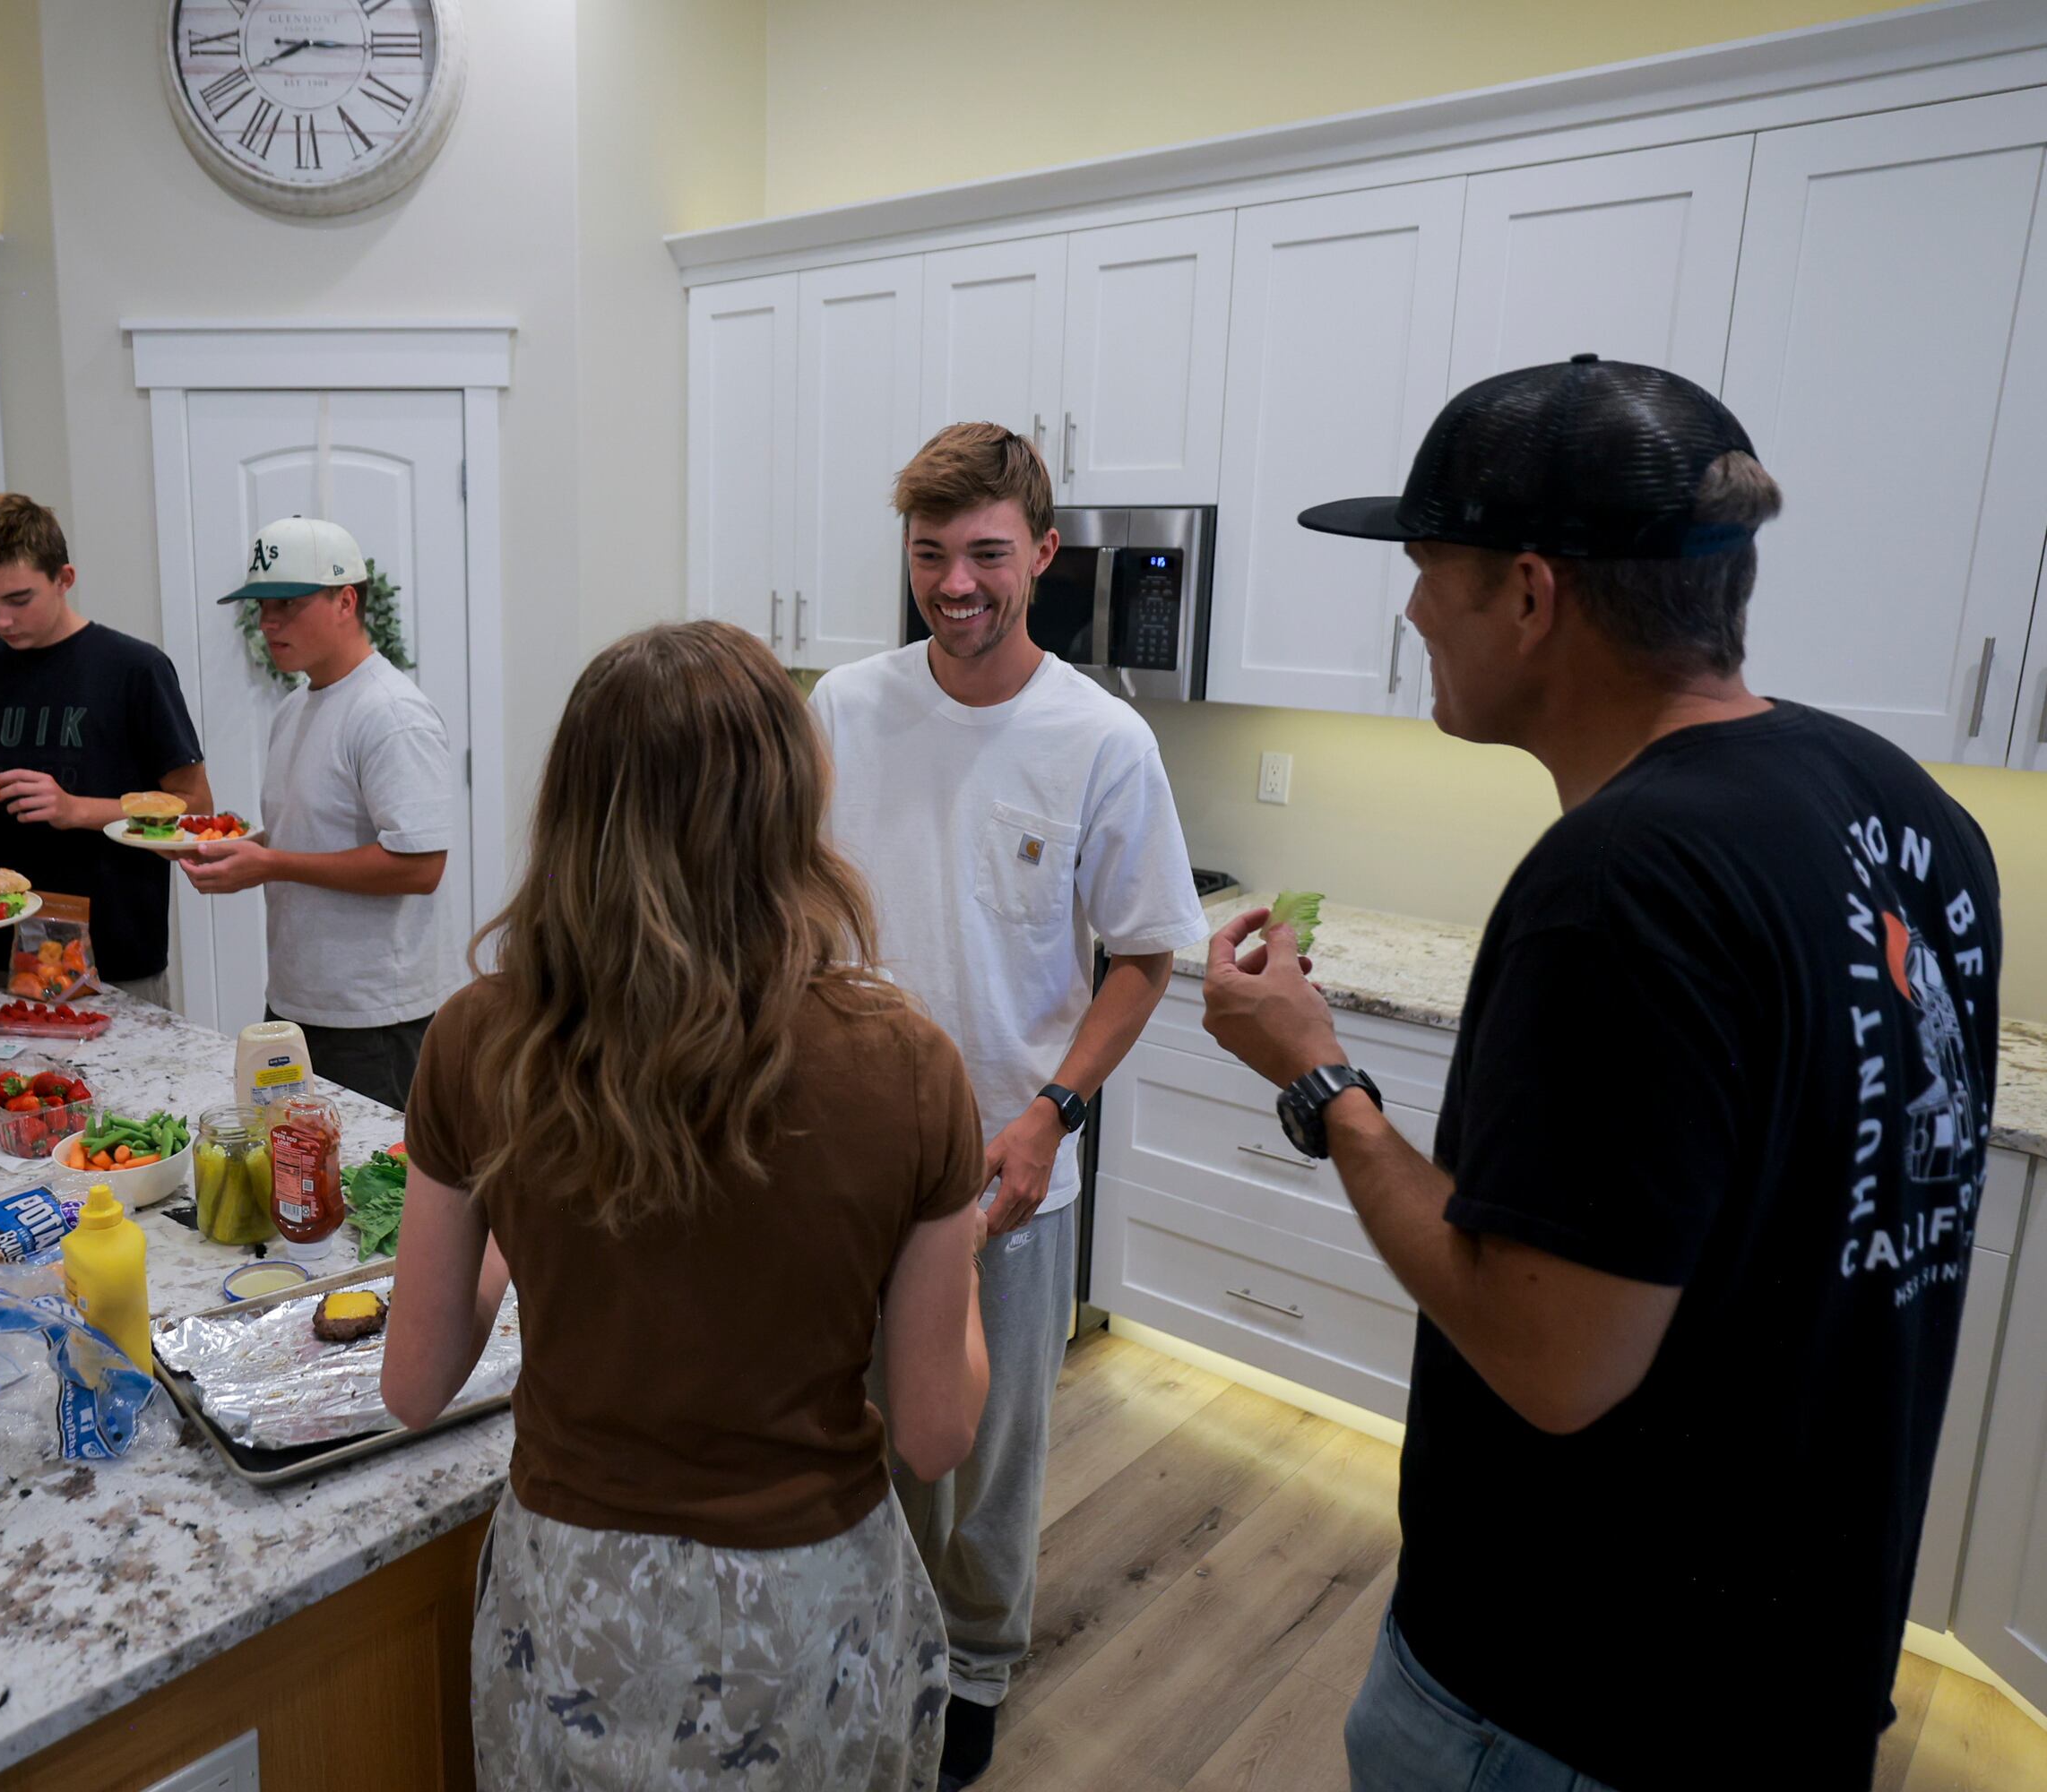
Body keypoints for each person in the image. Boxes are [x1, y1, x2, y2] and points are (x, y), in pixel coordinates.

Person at [1200, 358, 2002, 1792]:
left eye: (1425, 567)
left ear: (1527, 593)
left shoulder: (1621, 886)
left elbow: (1551, 1357)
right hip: (1794, 1679)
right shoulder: (1909, 813)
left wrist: (1321, 1079)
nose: (1406, 609)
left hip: (1570, 1708)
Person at [381, 622, 992, 1791]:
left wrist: (517, 1238)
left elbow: (413, 1386)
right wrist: (958, 1275)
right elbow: (933, 1430)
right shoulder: (907, 1065)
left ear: (572, 813)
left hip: (575, 1602)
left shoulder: (479, 1043)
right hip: (803, 1600)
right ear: (791, 808)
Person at [807, 422, 1211, 1787]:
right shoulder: (843, 708)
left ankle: (973, 1662)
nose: (956, 584)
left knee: (982, 1452)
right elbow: (795, 906)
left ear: (1041, 551)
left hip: (1006, 1162)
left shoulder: (1101, 739)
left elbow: (1146, 954)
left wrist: (1053, 1108)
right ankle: (865, 1640)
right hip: (841, 1153)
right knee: (845, 1422)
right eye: (931, 555)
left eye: (986, 553)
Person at [179, 517, 453, 1109]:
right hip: (297, 1001)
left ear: (345, 601)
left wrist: (269, 862)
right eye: (261, 606)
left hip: (373, 1018)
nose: (269, 622)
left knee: (365, 1191)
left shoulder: (390, 713)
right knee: (297, 1179)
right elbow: (303, 838)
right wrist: (231, 849)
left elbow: (421, 866)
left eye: (288, 604)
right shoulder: (296, 705)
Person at [0, 494, 212, 1007]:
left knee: (133, 1089)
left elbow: (196, 812)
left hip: (117, 950)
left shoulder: (136, 670)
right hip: (0, 949)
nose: (0, 620)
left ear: (65, 578)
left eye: (19, 599)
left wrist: (76, 810)